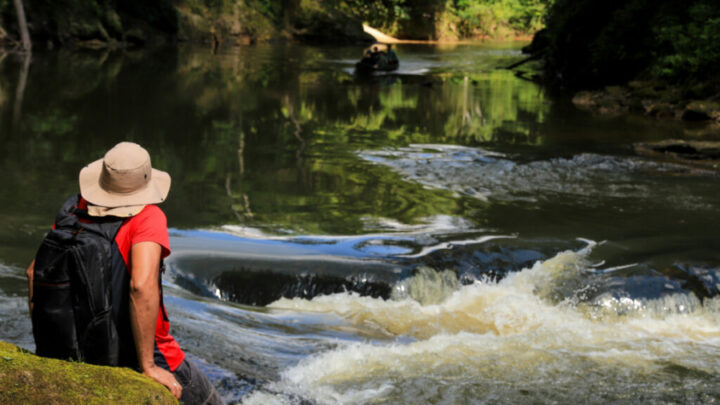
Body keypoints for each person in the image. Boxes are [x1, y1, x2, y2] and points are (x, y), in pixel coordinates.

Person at [26, 142, 223, 404]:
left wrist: (50, 345)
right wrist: (148, 366)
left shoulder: (74, 209)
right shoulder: (147, 218)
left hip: (79, 347)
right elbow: (140, 286)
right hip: (140, 351)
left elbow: (33, 273)